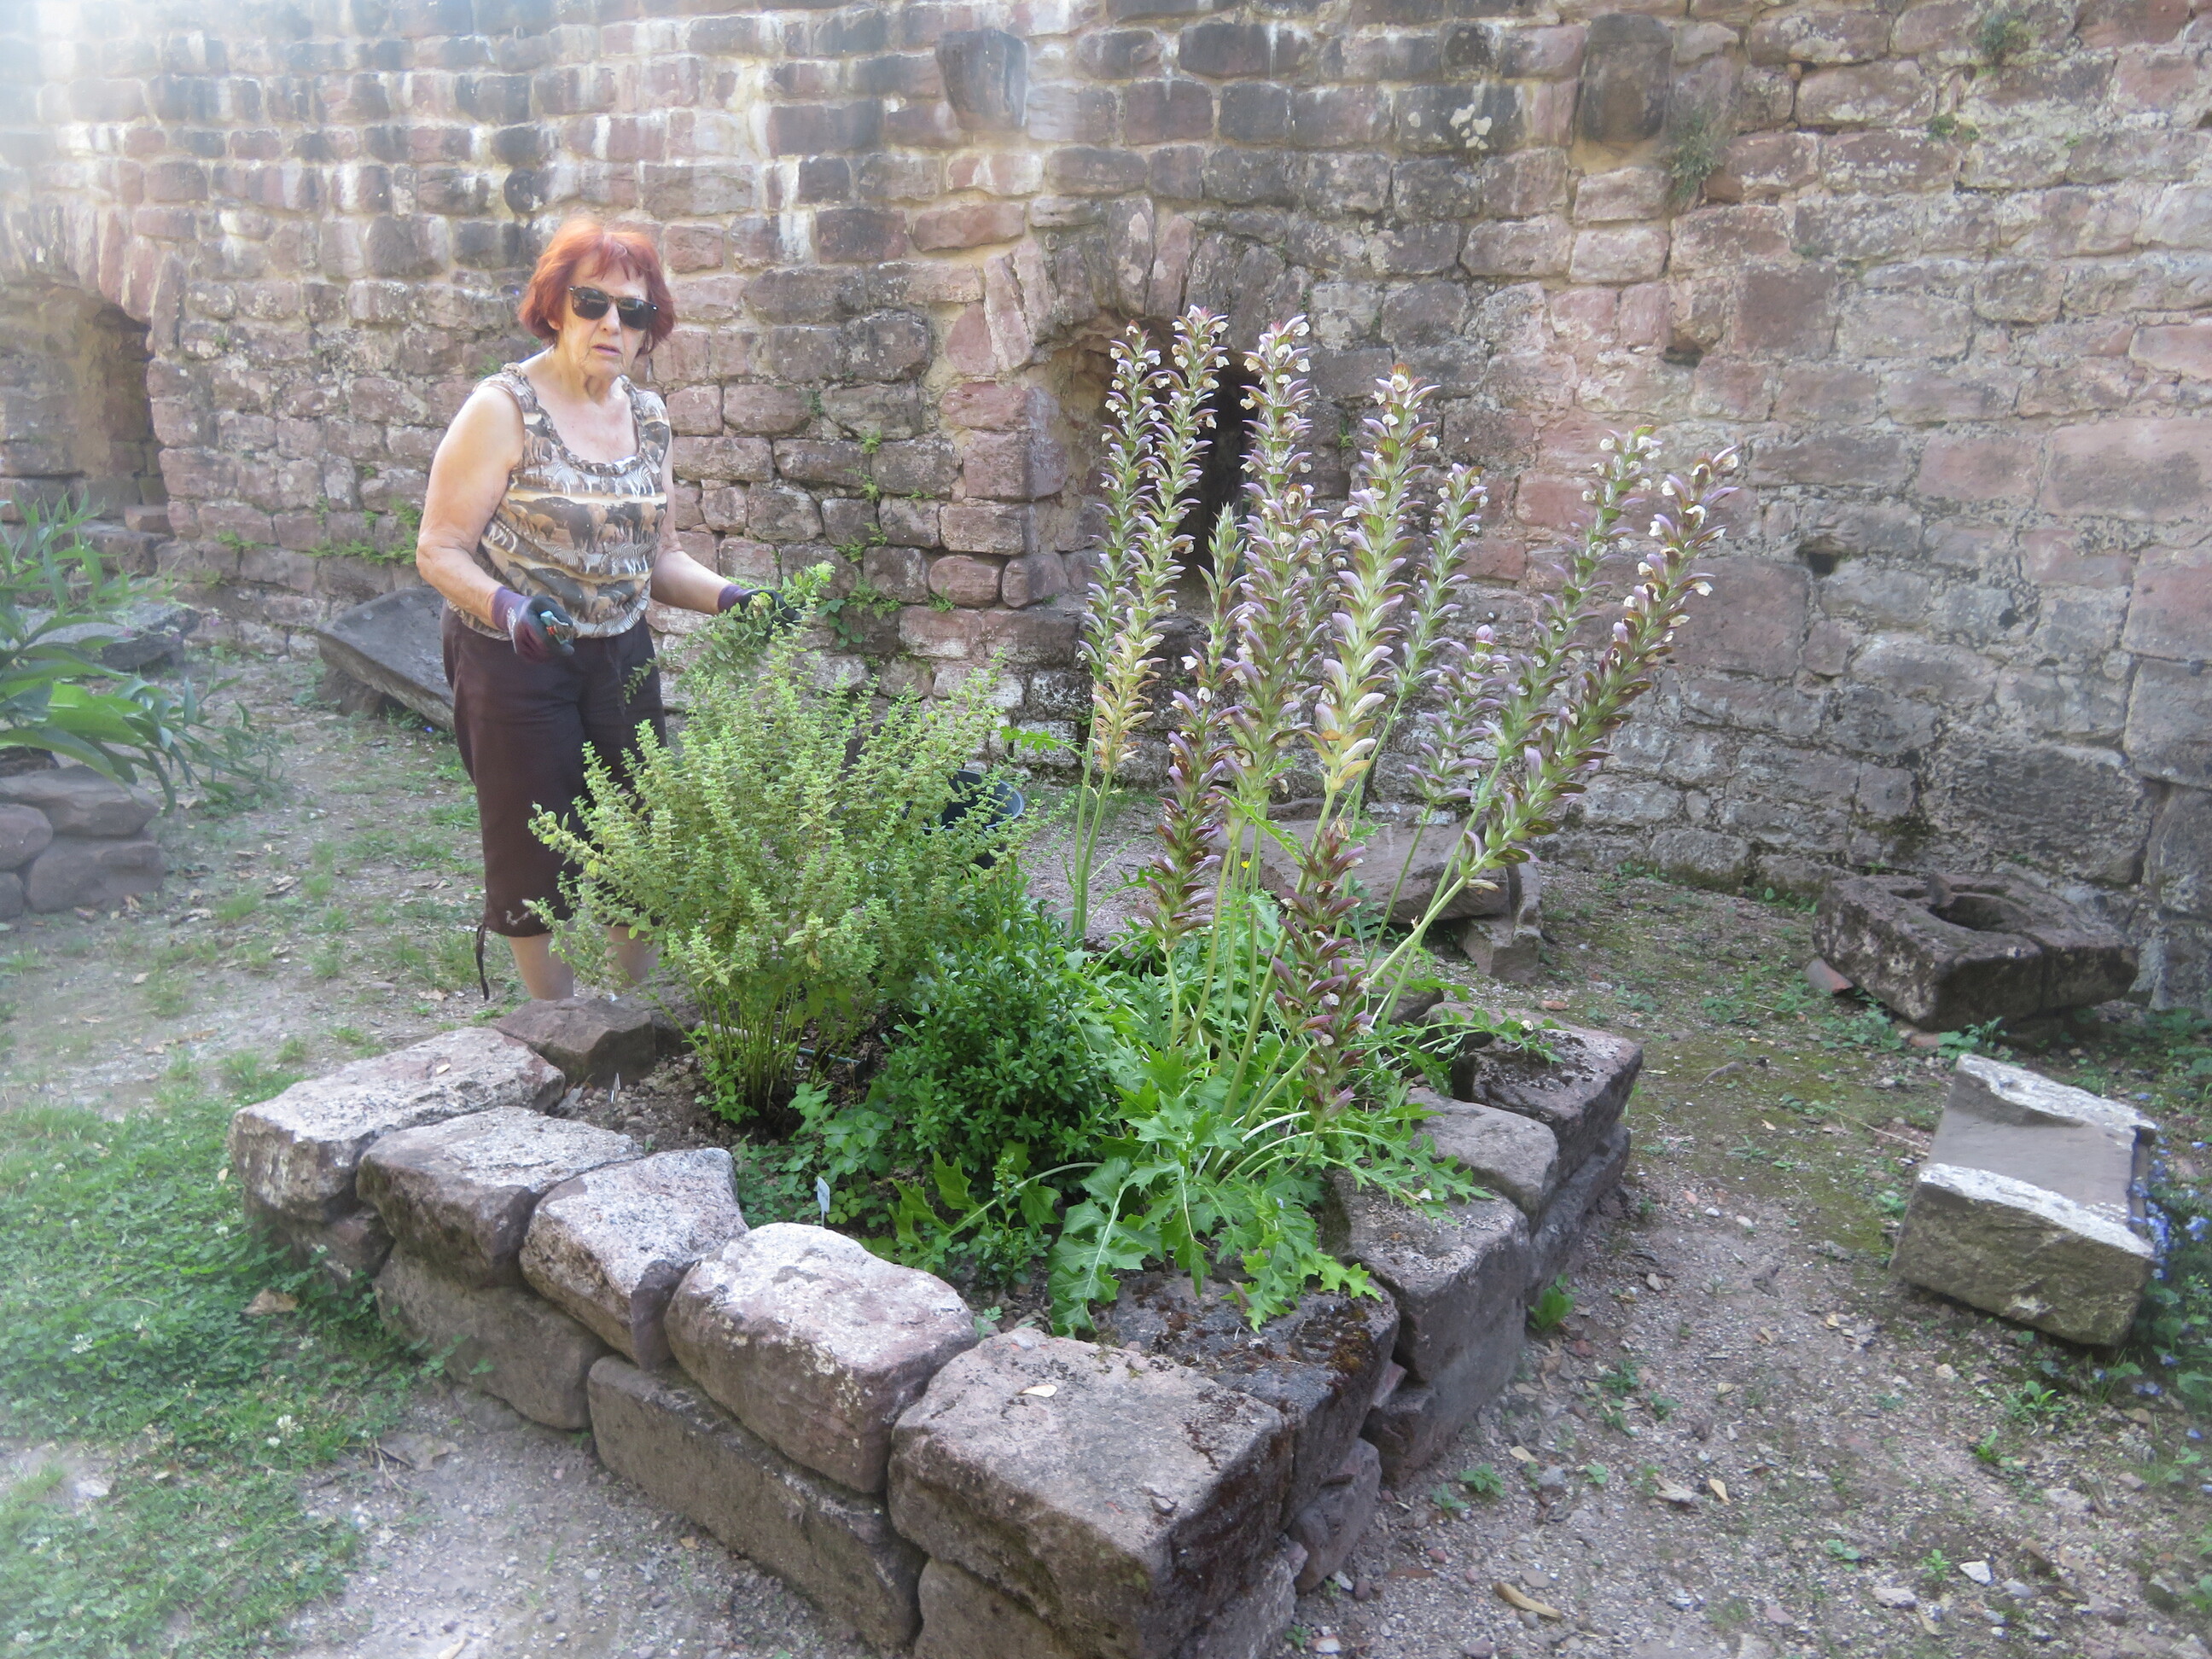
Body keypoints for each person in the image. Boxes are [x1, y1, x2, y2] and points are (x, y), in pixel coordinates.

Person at [415, 218, 770, 1002]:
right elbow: (438, 549)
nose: (612, 323)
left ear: (648, 328)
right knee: (532, 847)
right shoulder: (501, 410)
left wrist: (733, 599)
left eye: (633, 310)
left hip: (619, 653)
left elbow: (660, 559)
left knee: (639, 838)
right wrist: (510, 608)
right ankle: (556, 1026)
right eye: (592, 302)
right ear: (554, 306)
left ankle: (627, 1014)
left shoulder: (649, 418)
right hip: (512, 656)